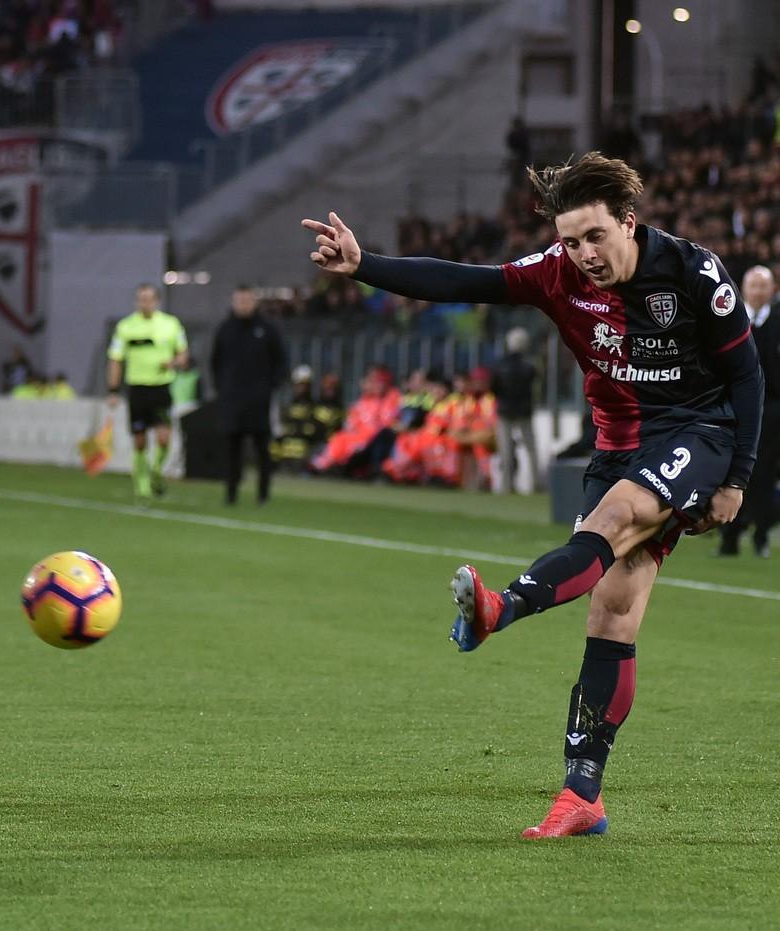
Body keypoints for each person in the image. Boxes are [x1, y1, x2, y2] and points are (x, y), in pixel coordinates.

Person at [303, 151, 762, 838]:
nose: (582, 254)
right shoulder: (554, 272)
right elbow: (465, 282)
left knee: (617, 516)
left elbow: (748, 377)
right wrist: (364, 262)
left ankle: (501, 607)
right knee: (612, 613)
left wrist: (736, 480)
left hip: (698, 431)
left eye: (594, 237)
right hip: (616, 445)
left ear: (628, 222)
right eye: (570, 240)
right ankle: (583, 795)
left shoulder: (693, 272)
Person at [718, 266, 780, 557]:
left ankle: (761, 536)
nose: (757, 291)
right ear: (743, 289)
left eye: (762, 286)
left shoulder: (778, 321)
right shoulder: (729, 318)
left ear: (772, 290)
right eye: (753, 286)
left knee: (764, 474)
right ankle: (728, 537)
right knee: (728, 472)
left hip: (771, 411)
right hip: (733, 409)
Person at [106, 283, 189, 500]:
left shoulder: (171, 324)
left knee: (163, 438)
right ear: (136, 301)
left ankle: (157, 470)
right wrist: (113, 390)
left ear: (157, 301)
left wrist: (173, 362)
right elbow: (115, 359)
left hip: (161, 388)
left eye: (149, 299)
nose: (145, 303)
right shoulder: (126, 327)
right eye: (141, 299)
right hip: (138, 388)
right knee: (140, 438)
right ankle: (141, 482)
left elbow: (183, 355)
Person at [211, 284, 286, 504]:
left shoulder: (267, 330)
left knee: (262, 448)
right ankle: (231, 493)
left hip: (259, 400)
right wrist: (223, 388)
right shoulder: (224, 330)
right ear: (234, 302)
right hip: (232, 399)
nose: (243, 305)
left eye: (247, 300)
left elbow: (280, 362)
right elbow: (215, 363)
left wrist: (270, 387)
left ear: (255, 302)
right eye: (239, 300)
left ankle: (263, 494)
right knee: (232, 449)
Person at [311, 365, 400, 476]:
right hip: (359, 436)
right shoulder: (363, 400)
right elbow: (351, 422)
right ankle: (324, 465)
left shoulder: (391, 397)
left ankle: (328, 465)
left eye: (377, 381)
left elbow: (386, 424)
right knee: (340, 438)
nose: (374, 385)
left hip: (374, 439)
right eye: (372, 381)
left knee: (345, 442)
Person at [492, 326, 541, 493]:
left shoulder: (500, 364)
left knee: (505, 450)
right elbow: (534, 386)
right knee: (531, 449)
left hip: (504, 410)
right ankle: (537, 483)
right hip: (524, 410)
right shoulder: (530, 365)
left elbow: (494, 387)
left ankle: (506, 485)